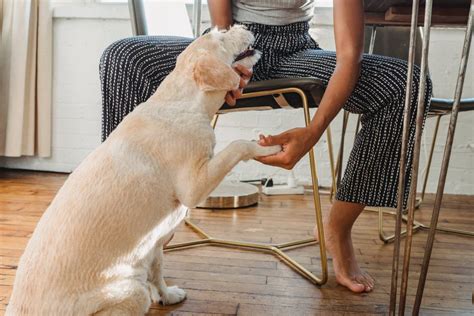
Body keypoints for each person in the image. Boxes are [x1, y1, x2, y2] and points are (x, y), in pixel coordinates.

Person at [100, 0, 431, 293]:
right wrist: (228, 60)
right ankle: (136, 227)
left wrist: (314, 131)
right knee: (122, 58)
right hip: (229, 41)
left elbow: (348, 56)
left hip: (297, 50)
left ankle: (337, 229)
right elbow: (223, 26)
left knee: (406, 85)